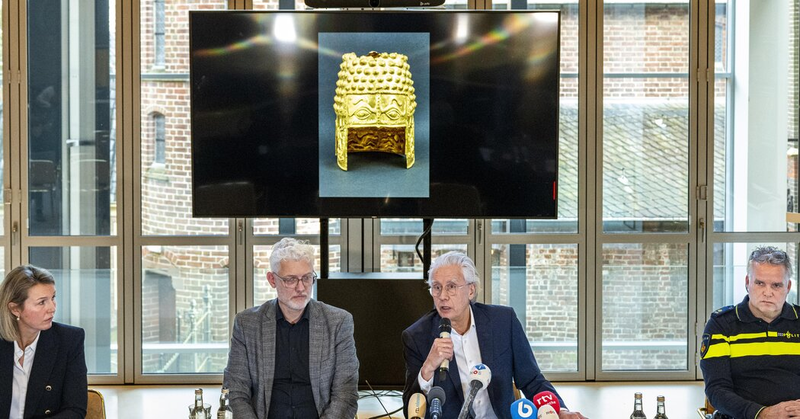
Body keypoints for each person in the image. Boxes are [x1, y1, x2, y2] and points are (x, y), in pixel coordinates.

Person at [402, 251, 587, 419]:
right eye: (436, 287)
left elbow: (532, 380)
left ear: (471, 290)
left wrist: (560, 411)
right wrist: (427, 369)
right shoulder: (417, 336)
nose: (443, 296)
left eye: (451, 286)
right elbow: (410, 407)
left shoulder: (503, 322)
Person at [223, 238, 359, 419]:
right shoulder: (247, 324)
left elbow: (345, 395)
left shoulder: (338, 323)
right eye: (291, 280)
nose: (301, 287)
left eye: (307, 278)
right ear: (272, 280)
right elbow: (235, 393)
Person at [700, 246, 800, 419]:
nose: (767, 293)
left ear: (788, 286)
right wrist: (762, 414)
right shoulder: (721, 325)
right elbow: (717, 390)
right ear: (747, 282)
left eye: (776, 285)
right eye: (760, 283)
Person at [0, 265, 87, 418]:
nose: (52, 308)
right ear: (15, 309)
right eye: (42, 302)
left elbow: (75, 409)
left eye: (53, 298)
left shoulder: (69, 340)